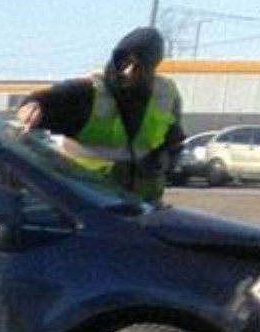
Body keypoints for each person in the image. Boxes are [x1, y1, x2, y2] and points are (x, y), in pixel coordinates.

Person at [15, 26, 183, 205]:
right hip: (87, 208)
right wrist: (34, 105)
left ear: (152, 67)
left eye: (139, 66)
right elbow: (50, 100)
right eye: (124, 62)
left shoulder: (166, 94)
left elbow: (174, 141)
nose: (128, 71)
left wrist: (163, 160)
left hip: (143, 207)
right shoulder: (91, 91)